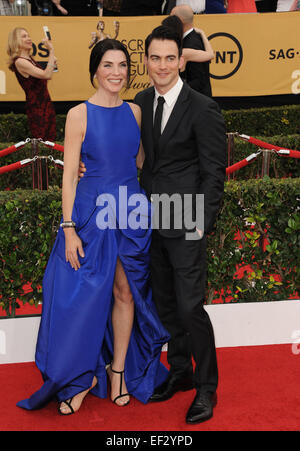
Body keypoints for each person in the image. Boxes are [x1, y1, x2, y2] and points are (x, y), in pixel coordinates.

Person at [17, 38, 169, 415]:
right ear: (95, 70)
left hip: (130, 213)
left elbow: (138, 161)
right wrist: (68, 227)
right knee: (84, 299)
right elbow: (69, 175)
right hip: (90, 216)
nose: (116, 73)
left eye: (122, 66)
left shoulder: (135, 112)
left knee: (124, 293)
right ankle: (82, 377)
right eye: (108, 65)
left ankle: (117, 371)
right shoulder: (78, 114)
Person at [134, 25, 226, 424]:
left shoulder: (202, 106)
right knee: (167, 304)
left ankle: (207, 388)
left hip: (186, 218)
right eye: (155, 58)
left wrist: (202, 221)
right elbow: (135, 156)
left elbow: (214, 170)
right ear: (147, 61)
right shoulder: (139, 101)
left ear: (182, 60)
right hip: (152, 220)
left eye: (170, 57)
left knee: (191, 307)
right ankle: (181, 372)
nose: (162, 65)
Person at [7, 27, 56, 141]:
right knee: (42, 144)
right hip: (37, 108)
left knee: (50, 144)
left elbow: (46, 75)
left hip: (45, 104)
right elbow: (46, 75)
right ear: (16, 41)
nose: (29, 39)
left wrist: (51, 63)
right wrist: (51, 51)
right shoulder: (20, 61)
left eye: (28, 36)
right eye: (24, 36)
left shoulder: (30, 59)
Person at [171, 4, 214, 97]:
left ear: (179, 21)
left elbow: (198, 80)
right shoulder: (194, 36)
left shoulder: (191, 44)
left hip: (197, 101)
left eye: (172, 18)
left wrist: (176, 92)